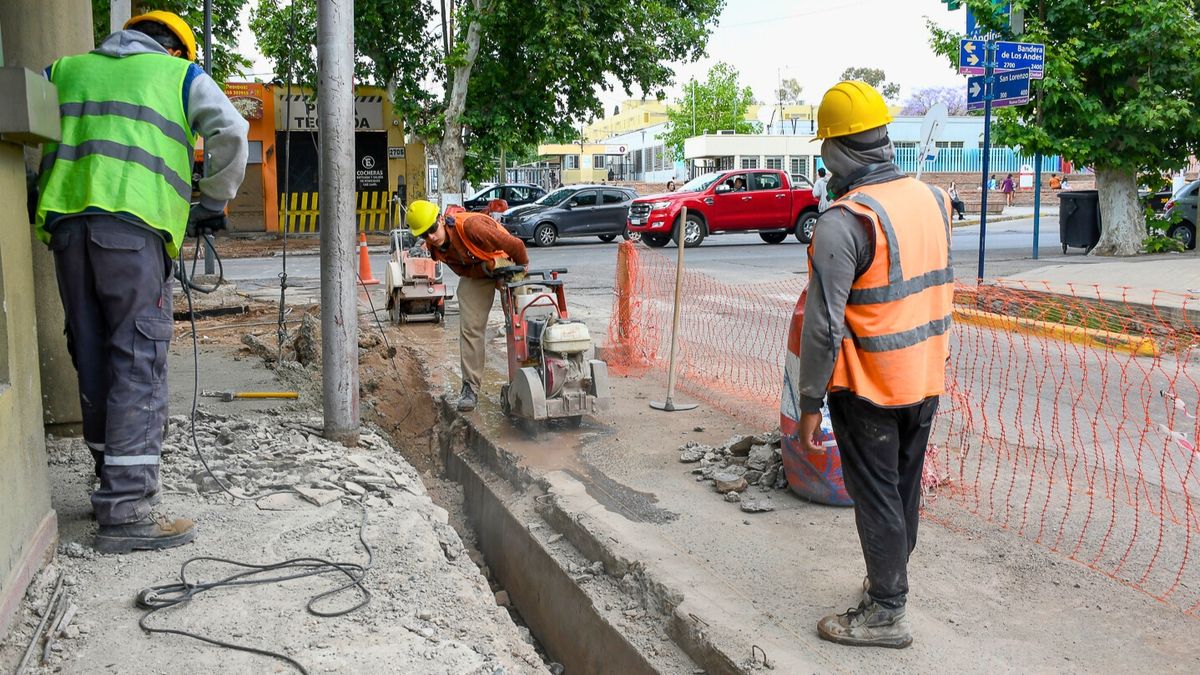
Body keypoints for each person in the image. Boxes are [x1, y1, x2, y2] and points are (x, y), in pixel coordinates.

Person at [34, 11, 249, 553]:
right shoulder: (178, 76)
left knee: (92, 352)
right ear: (176, 49)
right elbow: (231, 129)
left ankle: (111, 482)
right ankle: (126, 511)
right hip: (132, 231)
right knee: (138, 355)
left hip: (66, 232)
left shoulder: (63, 69)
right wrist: (213, 202)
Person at [797, 80, 954, 649]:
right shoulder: (932, 198)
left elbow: (822, 326)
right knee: (903, 492)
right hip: (925, 374)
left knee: (879, 497)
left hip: (870, 386)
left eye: (824, 147)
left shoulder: (845, 220)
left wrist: (809, 405)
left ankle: (887, 612)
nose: (822, 159)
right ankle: (888, 586)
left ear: (837, 150)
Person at [406, 200, 529, 412]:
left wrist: (521, 269)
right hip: (480, 270)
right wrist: (485, 269)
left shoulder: (472, 226)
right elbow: (463, 272)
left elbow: (515, 245)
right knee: (470, 327)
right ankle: (470, 387)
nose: (431, 237)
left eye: (433, 229)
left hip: (506, 262)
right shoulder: (437, 249)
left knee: (521, 322)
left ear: (441, 219)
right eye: (424, 235)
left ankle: (532, 375)